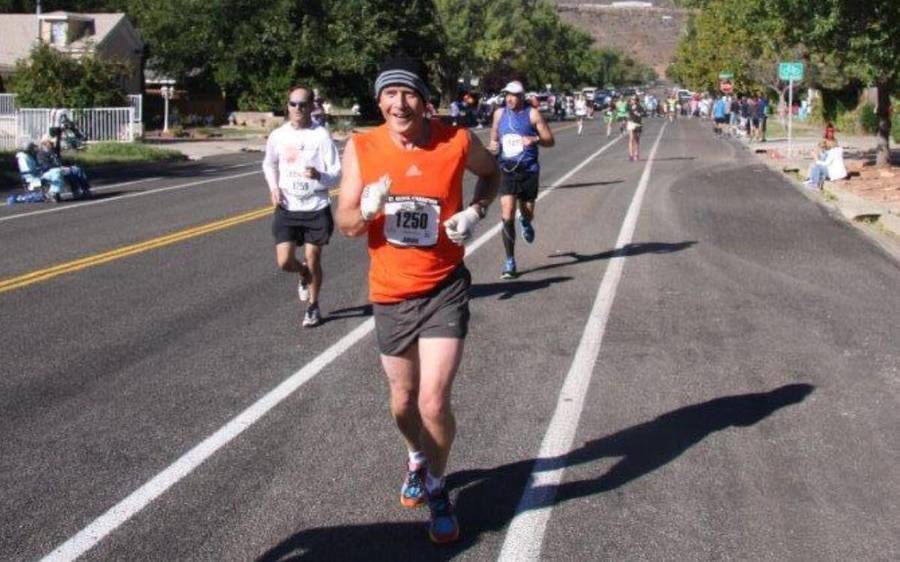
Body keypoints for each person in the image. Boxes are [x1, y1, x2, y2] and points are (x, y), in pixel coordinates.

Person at [335, 55, 499, 544]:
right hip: (390, 293)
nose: (399, 103)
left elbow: (493, 175)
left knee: (432, 402)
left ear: (424, 101)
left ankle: (437, 485)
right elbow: (345, 224)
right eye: (389, 93)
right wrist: (364, 211)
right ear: (379, 101)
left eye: (408, 94)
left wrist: (476, 211)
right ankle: (416, 456)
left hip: (445, 286)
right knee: (403, 401)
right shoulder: (362, 147)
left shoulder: (457, 140)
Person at [262, 85, 342, 328]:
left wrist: (319, 175)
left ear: (311, 107)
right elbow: (269, 164)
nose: (297, 108)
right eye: (293, 104)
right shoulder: (278, 135)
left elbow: (337, 174)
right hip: (288, 207)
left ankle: (313, 307)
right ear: (287, 106)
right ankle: (302, 273)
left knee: (313, 257)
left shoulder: (321, 135)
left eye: (303, 104)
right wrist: (274, 187)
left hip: (316, 207)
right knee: (285, 261)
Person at [488, 80, 555, 279]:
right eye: (507, 94)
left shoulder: (532, 114)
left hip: (528, 170)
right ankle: (510, 262)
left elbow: (550, 141)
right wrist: (493, 146)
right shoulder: (499, 114)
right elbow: (494, 138)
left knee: (526, 213)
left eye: (514, 95)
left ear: (522, 96)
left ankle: (525, 221)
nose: (510, 98)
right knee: (507, 212)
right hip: (507, 169)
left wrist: (534, 139)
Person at [626, 96, 645, 161]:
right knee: (631, 138)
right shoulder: (629, 106)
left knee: (637, 139)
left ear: (637, 101)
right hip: (631, 123)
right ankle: (631, 155)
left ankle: (636, 154)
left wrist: (639, 114)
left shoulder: (640, 107)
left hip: (638, 123)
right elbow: (627, 112)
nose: (632, 101)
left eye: (633, 99)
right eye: (631, 99)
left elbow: (643, 113)